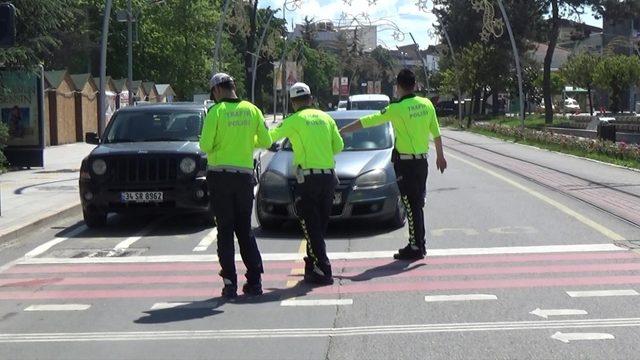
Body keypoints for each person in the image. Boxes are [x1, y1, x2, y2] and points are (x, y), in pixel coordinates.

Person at [340, 69, 447, 260]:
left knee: (409, 204)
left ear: (398, 87)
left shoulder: (396, 108)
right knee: (417, 205)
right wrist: (440, 156)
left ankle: (416, 246)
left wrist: (344, 130)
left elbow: (369, 121)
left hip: (405, 165)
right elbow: (437, 134)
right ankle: (419, 244)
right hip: (422, 163)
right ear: (415, 85)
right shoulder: (426, 104)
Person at [199, 73, 272, 298]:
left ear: (217, 90)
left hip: (220, 178)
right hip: (243, 178)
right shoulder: (252, 109)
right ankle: (255, 281)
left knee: (225, 230)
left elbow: (204, 145)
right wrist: (246, 141)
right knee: (244, 230)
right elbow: (266, 142)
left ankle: (230, 282)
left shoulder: (216, 112)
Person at [269, 82, 344, 285]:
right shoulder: (326, 118)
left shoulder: (294, 120)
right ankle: (312, 265)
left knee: (310, 225)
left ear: (293, 102)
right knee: (320, 224)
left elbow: (270, 137)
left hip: (308, 179)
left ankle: (324, 268)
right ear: (311, 98)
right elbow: (339, 145)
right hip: (329, 178)